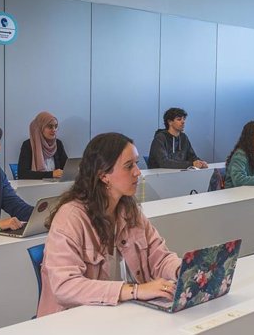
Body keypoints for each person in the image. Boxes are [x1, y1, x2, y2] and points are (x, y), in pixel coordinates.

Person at [37, 132, 182, 317]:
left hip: (119, 317)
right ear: (104, 175)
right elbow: (65, 286)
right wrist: (134, 291)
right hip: (73, 323)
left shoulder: (130, 211)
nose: (137, 172)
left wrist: (182, 270)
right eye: (129, 166)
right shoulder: (70, 218)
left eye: (136, 163)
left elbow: (159, 258)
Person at [17, 111, 68, 180]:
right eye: (50, 126)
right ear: (40, 128)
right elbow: (23, 174)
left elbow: (67, 168)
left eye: (55, 126)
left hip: (56, 186)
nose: (54, 130)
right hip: (34, 188)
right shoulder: (28, 145)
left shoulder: (58, 144)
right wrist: (51, 174)